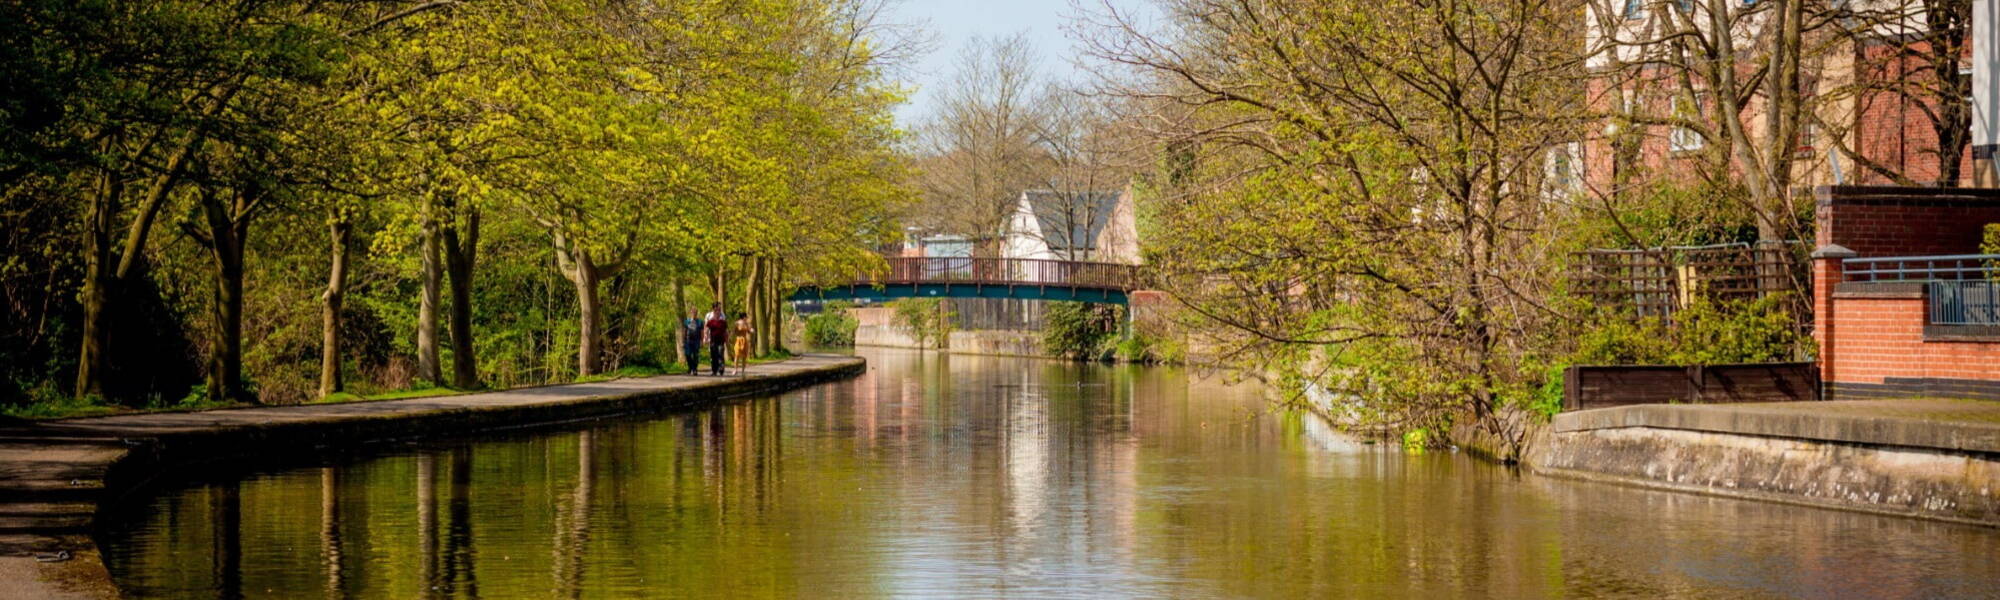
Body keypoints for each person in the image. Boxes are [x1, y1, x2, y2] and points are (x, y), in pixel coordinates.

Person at [704, 304, 728, 376]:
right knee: (713, 356)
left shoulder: (723, 322)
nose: (717, 312)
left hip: (721, 341)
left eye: (719, 311)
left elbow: (726, 331)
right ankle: (714, 370)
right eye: (716, 311)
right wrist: (705, 337)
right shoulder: (711, 321)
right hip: (713, 341)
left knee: (720, 354)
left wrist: (727, 340)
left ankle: (721, 369)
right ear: (714, 312)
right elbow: (706, 329)